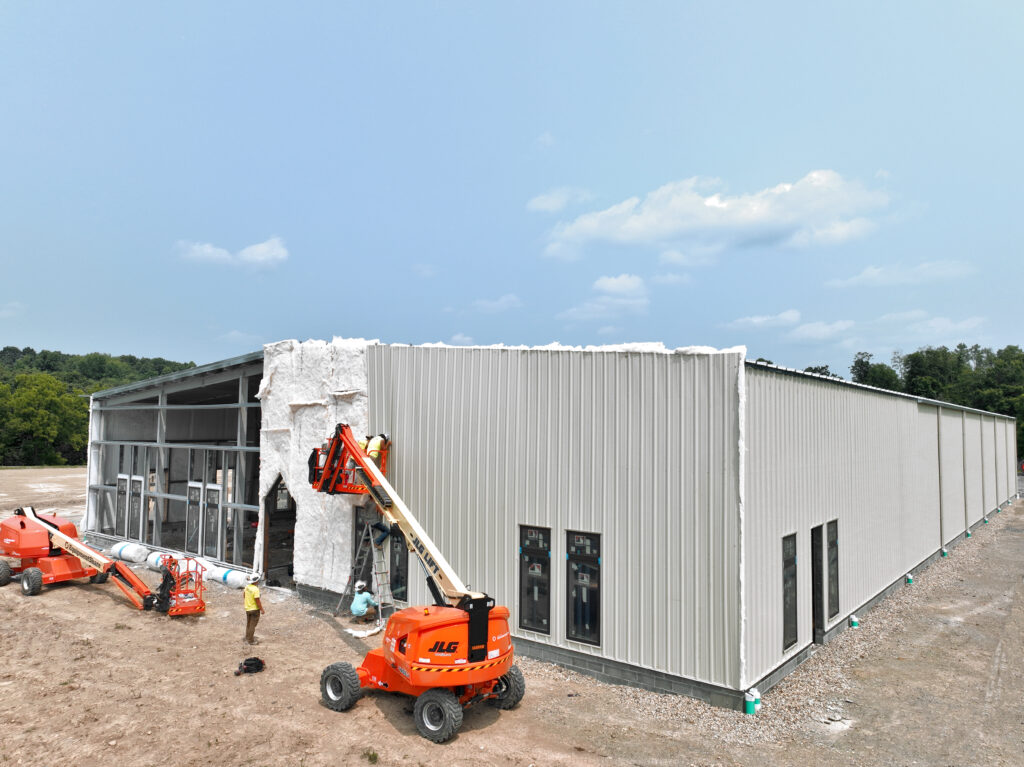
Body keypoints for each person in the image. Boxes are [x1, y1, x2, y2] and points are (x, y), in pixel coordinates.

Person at [243, 572, 265, 644]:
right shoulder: (255, 589)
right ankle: (250, 640)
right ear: (256, 581)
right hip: (254, 609)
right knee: (253, 625)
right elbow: (257, 601)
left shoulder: (247, 587)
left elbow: (244, 595)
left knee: (249, 623)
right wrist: (261, 609)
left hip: (247, 608)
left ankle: (247, 637)